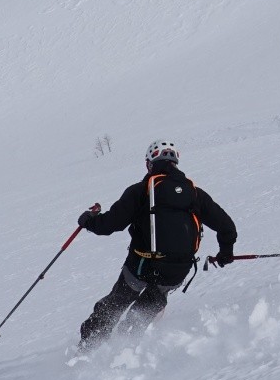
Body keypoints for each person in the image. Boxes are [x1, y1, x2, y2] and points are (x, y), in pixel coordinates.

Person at [75, 140, 236, 349]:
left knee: (117, 302)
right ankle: (128, 348)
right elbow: (227, 226)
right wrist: (225, 252)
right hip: (177, 270)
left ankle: (88, 347)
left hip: (142, 265)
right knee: (146, 308)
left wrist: (88, 220)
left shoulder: (141, 190)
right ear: (175, 163)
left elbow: (108, 225)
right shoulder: (194, 193)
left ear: (149, 164)